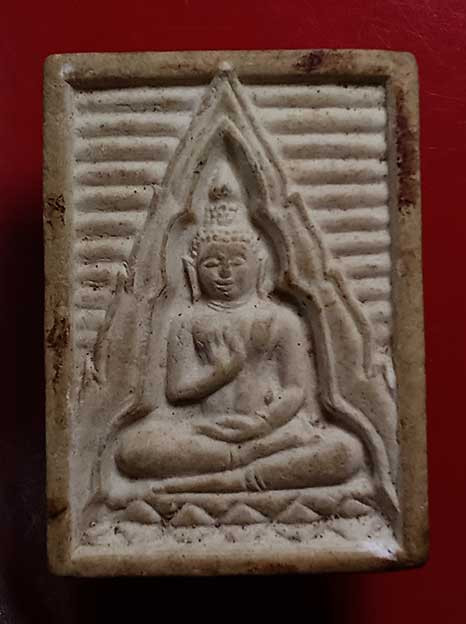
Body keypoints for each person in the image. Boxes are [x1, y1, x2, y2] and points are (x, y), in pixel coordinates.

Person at [114, 164, 367, 494]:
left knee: (347, 451)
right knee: (132, 449)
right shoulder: (186, 321)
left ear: (259, 266)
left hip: (271, 431)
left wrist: (263, 423)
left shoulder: (281, 319)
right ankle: (243, 464)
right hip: (204, 432)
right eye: (211, 263)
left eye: (236, 262)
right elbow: (176, 392)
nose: (225, 273)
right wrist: (222, 372)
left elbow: (295, 390)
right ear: (192, 270)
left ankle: (229, 473)